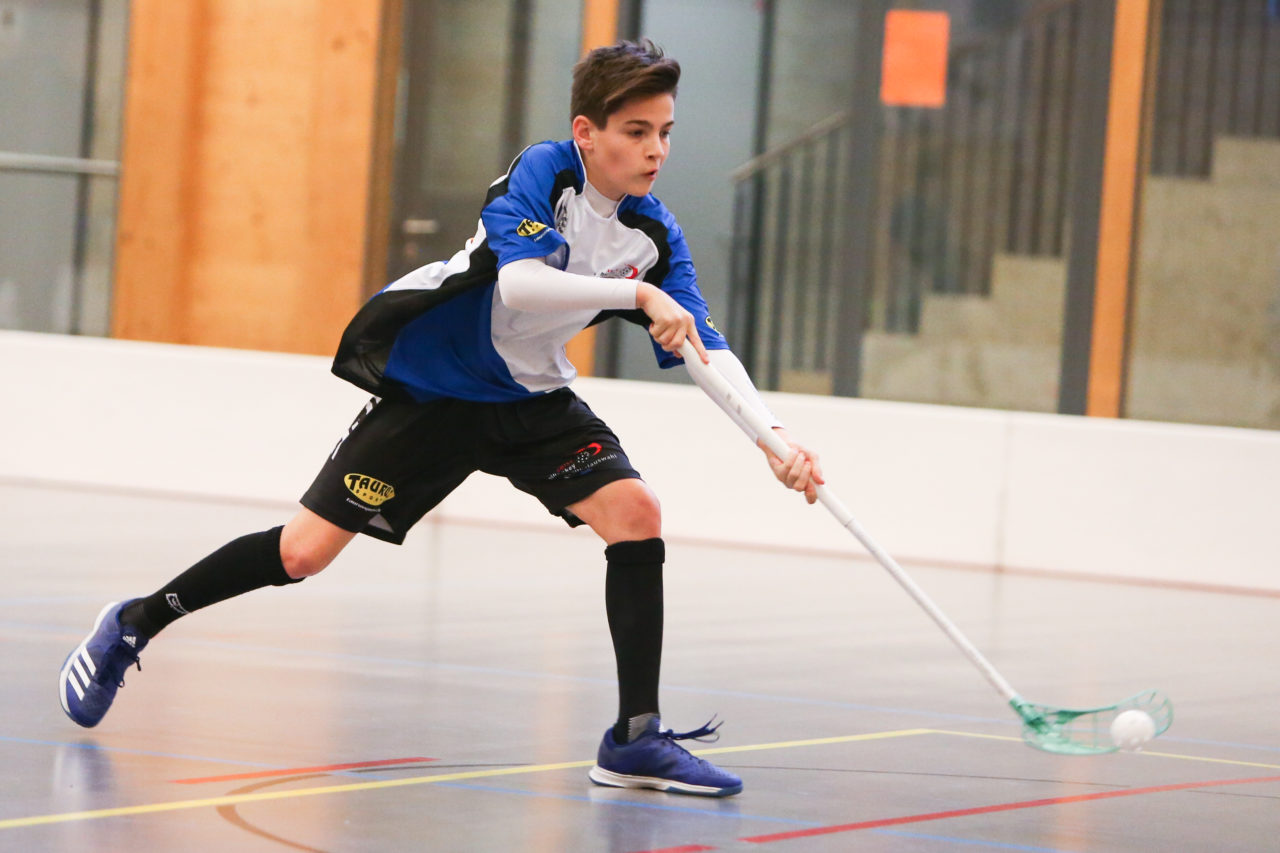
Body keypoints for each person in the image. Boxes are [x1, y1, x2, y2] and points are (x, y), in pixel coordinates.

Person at [58, 38, 822, 798]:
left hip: (530, 399)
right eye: (636, 132)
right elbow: (521, 284)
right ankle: (135, 621)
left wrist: (772, 438)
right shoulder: (544, 170)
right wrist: (638, 297)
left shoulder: (653, 234)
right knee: (302, 553)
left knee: (636, 511)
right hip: (439, 390)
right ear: (588, 132)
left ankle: (635, 737)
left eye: (665, 133)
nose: (656, 150)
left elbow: (703, 344)